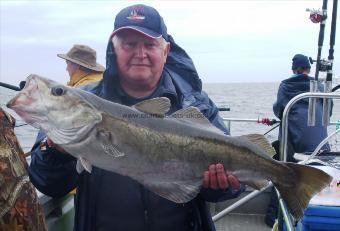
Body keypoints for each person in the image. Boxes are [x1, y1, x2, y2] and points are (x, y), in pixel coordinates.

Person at [28, 4, 244, 231]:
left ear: (165, 50)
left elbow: (232, 187)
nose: (140, 54)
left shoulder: (196, 103)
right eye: (130, 44)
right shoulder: (81, 103)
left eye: (150, 44)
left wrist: (217, 186)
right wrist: (56, 152)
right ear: (114, 48)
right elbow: (47, 183)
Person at [265, 54, 330, 227]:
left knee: (281, 171)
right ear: (309, 68)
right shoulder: (320, 86)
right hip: (321, 144)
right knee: (317, 178)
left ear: (294, 69)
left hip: (293, 143)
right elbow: (327, 113)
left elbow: (279, 109)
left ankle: (275, 216)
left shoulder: (286, 85)